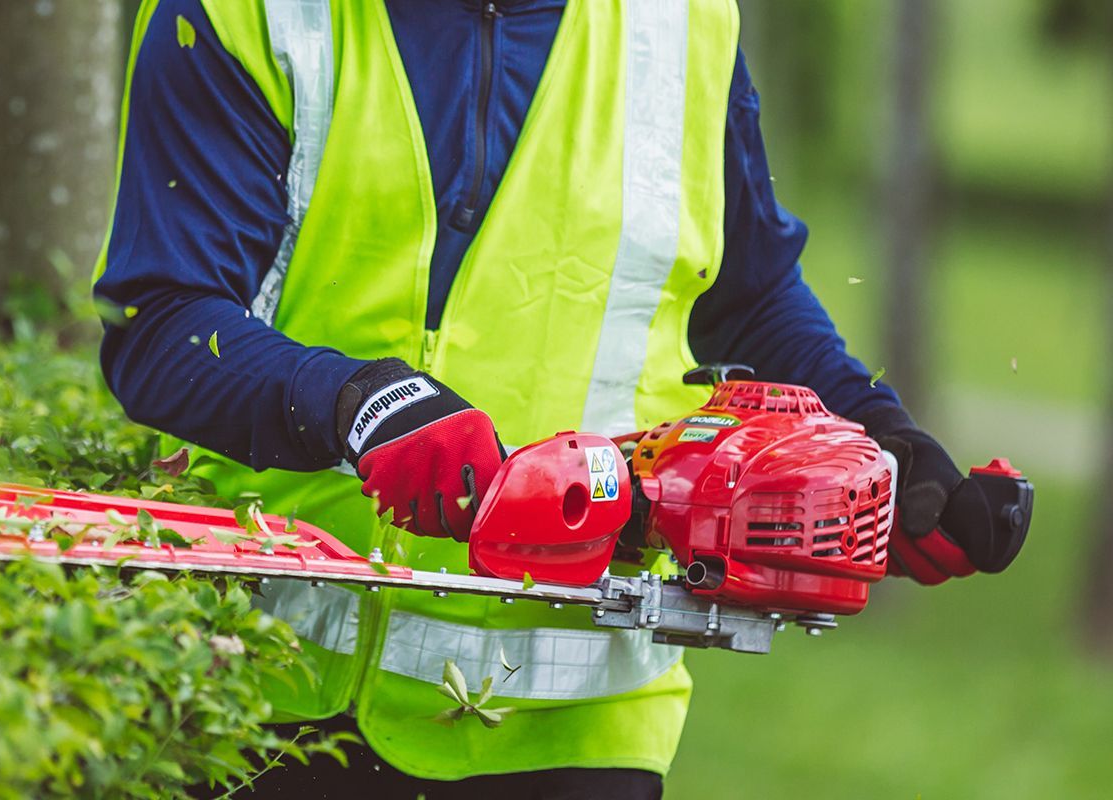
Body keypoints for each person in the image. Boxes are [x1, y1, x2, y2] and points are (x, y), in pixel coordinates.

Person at [91, 0, 1026, 796]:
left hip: (580, 727)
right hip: (261, 693)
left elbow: (746, 295)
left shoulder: (683, 20)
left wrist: (883, 442)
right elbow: (164, 319)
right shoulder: (249, 13)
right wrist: (352, 404)